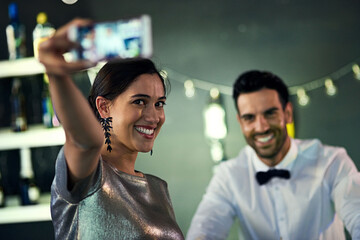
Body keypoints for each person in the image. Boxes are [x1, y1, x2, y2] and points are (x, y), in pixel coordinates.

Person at [38, 19, 184, 239]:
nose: (154, 116)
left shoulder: (157, 189)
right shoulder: (88, 175)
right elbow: (85, 141)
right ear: (104, 107)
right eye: (139, 102)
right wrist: (55, 72)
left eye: (159, 103)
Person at [186, 70, 360, 240]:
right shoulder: (228, 175)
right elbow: (205, 228)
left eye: (270, 113)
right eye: (249, 118)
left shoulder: (332, 162)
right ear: (240, 122)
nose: (261, 127)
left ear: (288, 113)